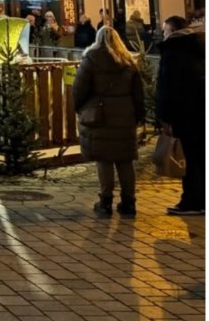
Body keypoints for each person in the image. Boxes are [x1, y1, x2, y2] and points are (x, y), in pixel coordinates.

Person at [75, 24, 145, 216]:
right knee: (125, 160)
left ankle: (105, 202)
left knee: (104, 159)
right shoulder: (128, 62)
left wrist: (80, 108)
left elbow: (80, 88)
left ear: (97, 40)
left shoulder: (91, 59)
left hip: (100, 116)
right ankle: (129, 202)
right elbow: (138, 94)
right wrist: (138, 116)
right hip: (125, 115)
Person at [154, 16, 204, 215]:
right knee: (201, 156)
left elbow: (168, 87)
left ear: (173, 29)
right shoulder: (200, 44)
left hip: (185, 113)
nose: (163, 34)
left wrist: (165, 117)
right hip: (200, 110)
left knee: (190, 158)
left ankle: (191, 201)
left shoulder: (174, 50)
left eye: (165, 30)